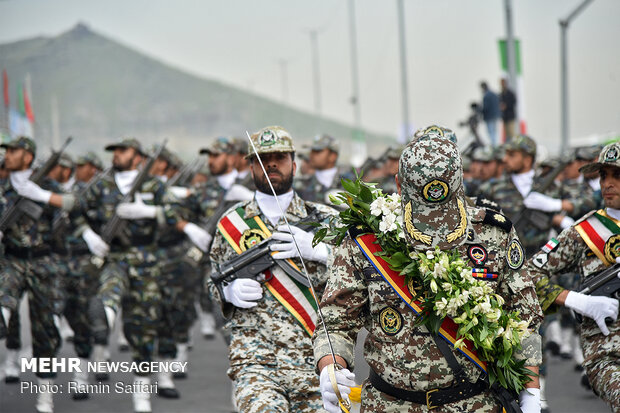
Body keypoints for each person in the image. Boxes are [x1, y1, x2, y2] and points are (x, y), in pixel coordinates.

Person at [314, 128, 543, 412]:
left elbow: (524, 318)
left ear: (461, 185)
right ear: (398, 185)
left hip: (475, 403)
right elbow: (336, 322)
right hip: (390, 404)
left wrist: (531, 392)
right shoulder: (367, 242)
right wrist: (331, 368)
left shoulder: (494, 234)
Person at [208, 126, 338, 412]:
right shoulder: (231, 223)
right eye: (262, 158)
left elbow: (360, 272)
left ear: (295, 163)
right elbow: (212, 281)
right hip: (256, 360)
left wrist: (323, 252)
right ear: (250, 165)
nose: (271, 164)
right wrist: (227, 293)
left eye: (279, 156)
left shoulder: (326, 220)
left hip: (318, 358)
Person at [76, 137, 189, 412]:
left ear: (137, 156)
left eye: (122, 150)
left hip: (147, 261)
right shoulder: (101, 185)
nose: (116, 154)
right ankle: (106, 313)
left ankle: (142, 394)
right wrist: (89, 235)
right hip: (114, 256)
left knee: (143, 328)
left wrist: (150, 210)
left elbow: (177, 213)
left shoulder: (153, 185)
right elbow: (76, 210)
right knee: (110, 288)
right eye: (114, 150)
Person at [525, 141, 620, 412]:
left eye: (617, 175)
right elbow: (526, 275)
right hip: (607, 354)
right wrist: (575, 300)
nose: (608, 183)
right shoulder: (585, 232)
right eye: (604, 175)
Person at [0, 136, 78, 413]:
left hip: (43, 262)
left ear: (28, 156)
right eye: (6, 151)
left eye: (13, 151)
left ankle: (45, 393)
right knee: (4, 301)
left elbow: (72, 203)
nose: (7, 155)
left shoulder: (45, 184)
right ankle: (6, 339)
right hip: (11, 259)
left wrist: (39, 195)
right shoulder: (3, 182)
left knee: (45, 329)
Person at [294, 133, 346, 205]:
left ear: (332, 156)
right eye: (312, 151)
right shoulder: (299, 185)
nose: (312, 155)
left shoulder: (350, 182)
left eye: (318, 151)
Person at [480, 81, 501, 146]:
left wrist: (480, 110)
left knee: (491, 132)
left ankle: (494, 145)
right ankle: (495, 144)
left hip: (489, 117)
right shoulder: (493, 94)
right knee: (495, 131)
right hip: (495, 116)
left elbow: (485, 107)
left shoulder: (486, 95)